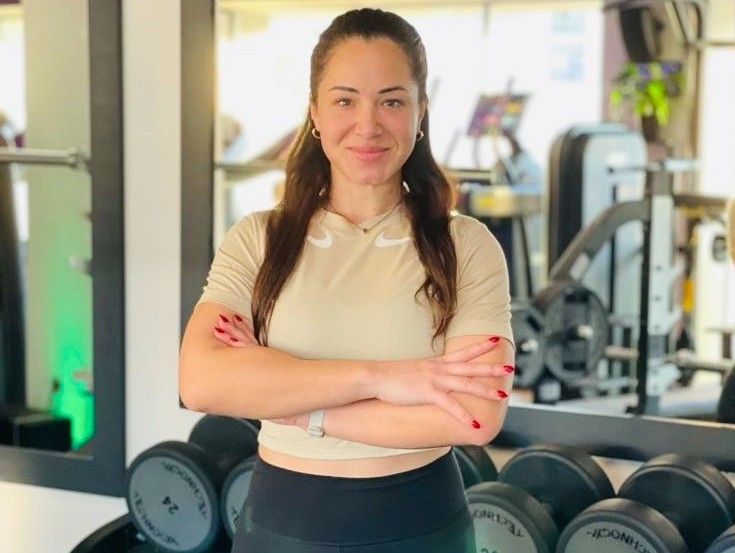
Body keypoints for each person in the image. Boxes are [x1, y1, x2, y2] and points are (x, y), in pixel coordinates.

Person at [179, 8, 515, 553]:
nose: (367, 124)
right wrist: (386, 379)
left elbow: (475, 416)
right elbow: (201, 382)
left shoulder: (466, 245)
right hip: (282, 522)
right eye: (344, 100)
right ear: (314, 111)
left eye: (391, 100)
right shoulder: (257, 239)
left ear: (419, 111)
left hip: (419, 522)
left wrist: (296, 404)